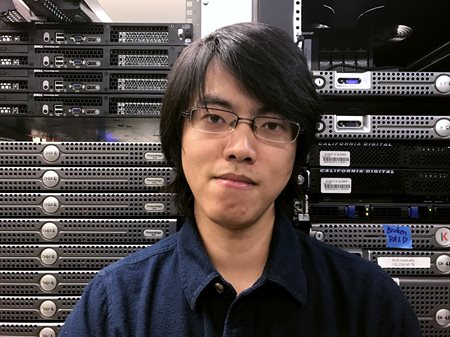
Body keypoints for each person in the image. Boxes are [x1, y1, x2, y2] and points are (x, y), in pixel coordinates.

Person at [59, 22, 421, 336]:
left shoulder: (370, 303)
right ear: (177, 134)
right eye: (215, 118)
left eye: (272, 124)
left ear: (299, 150)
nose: (241, 148)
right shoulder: (112, 305)